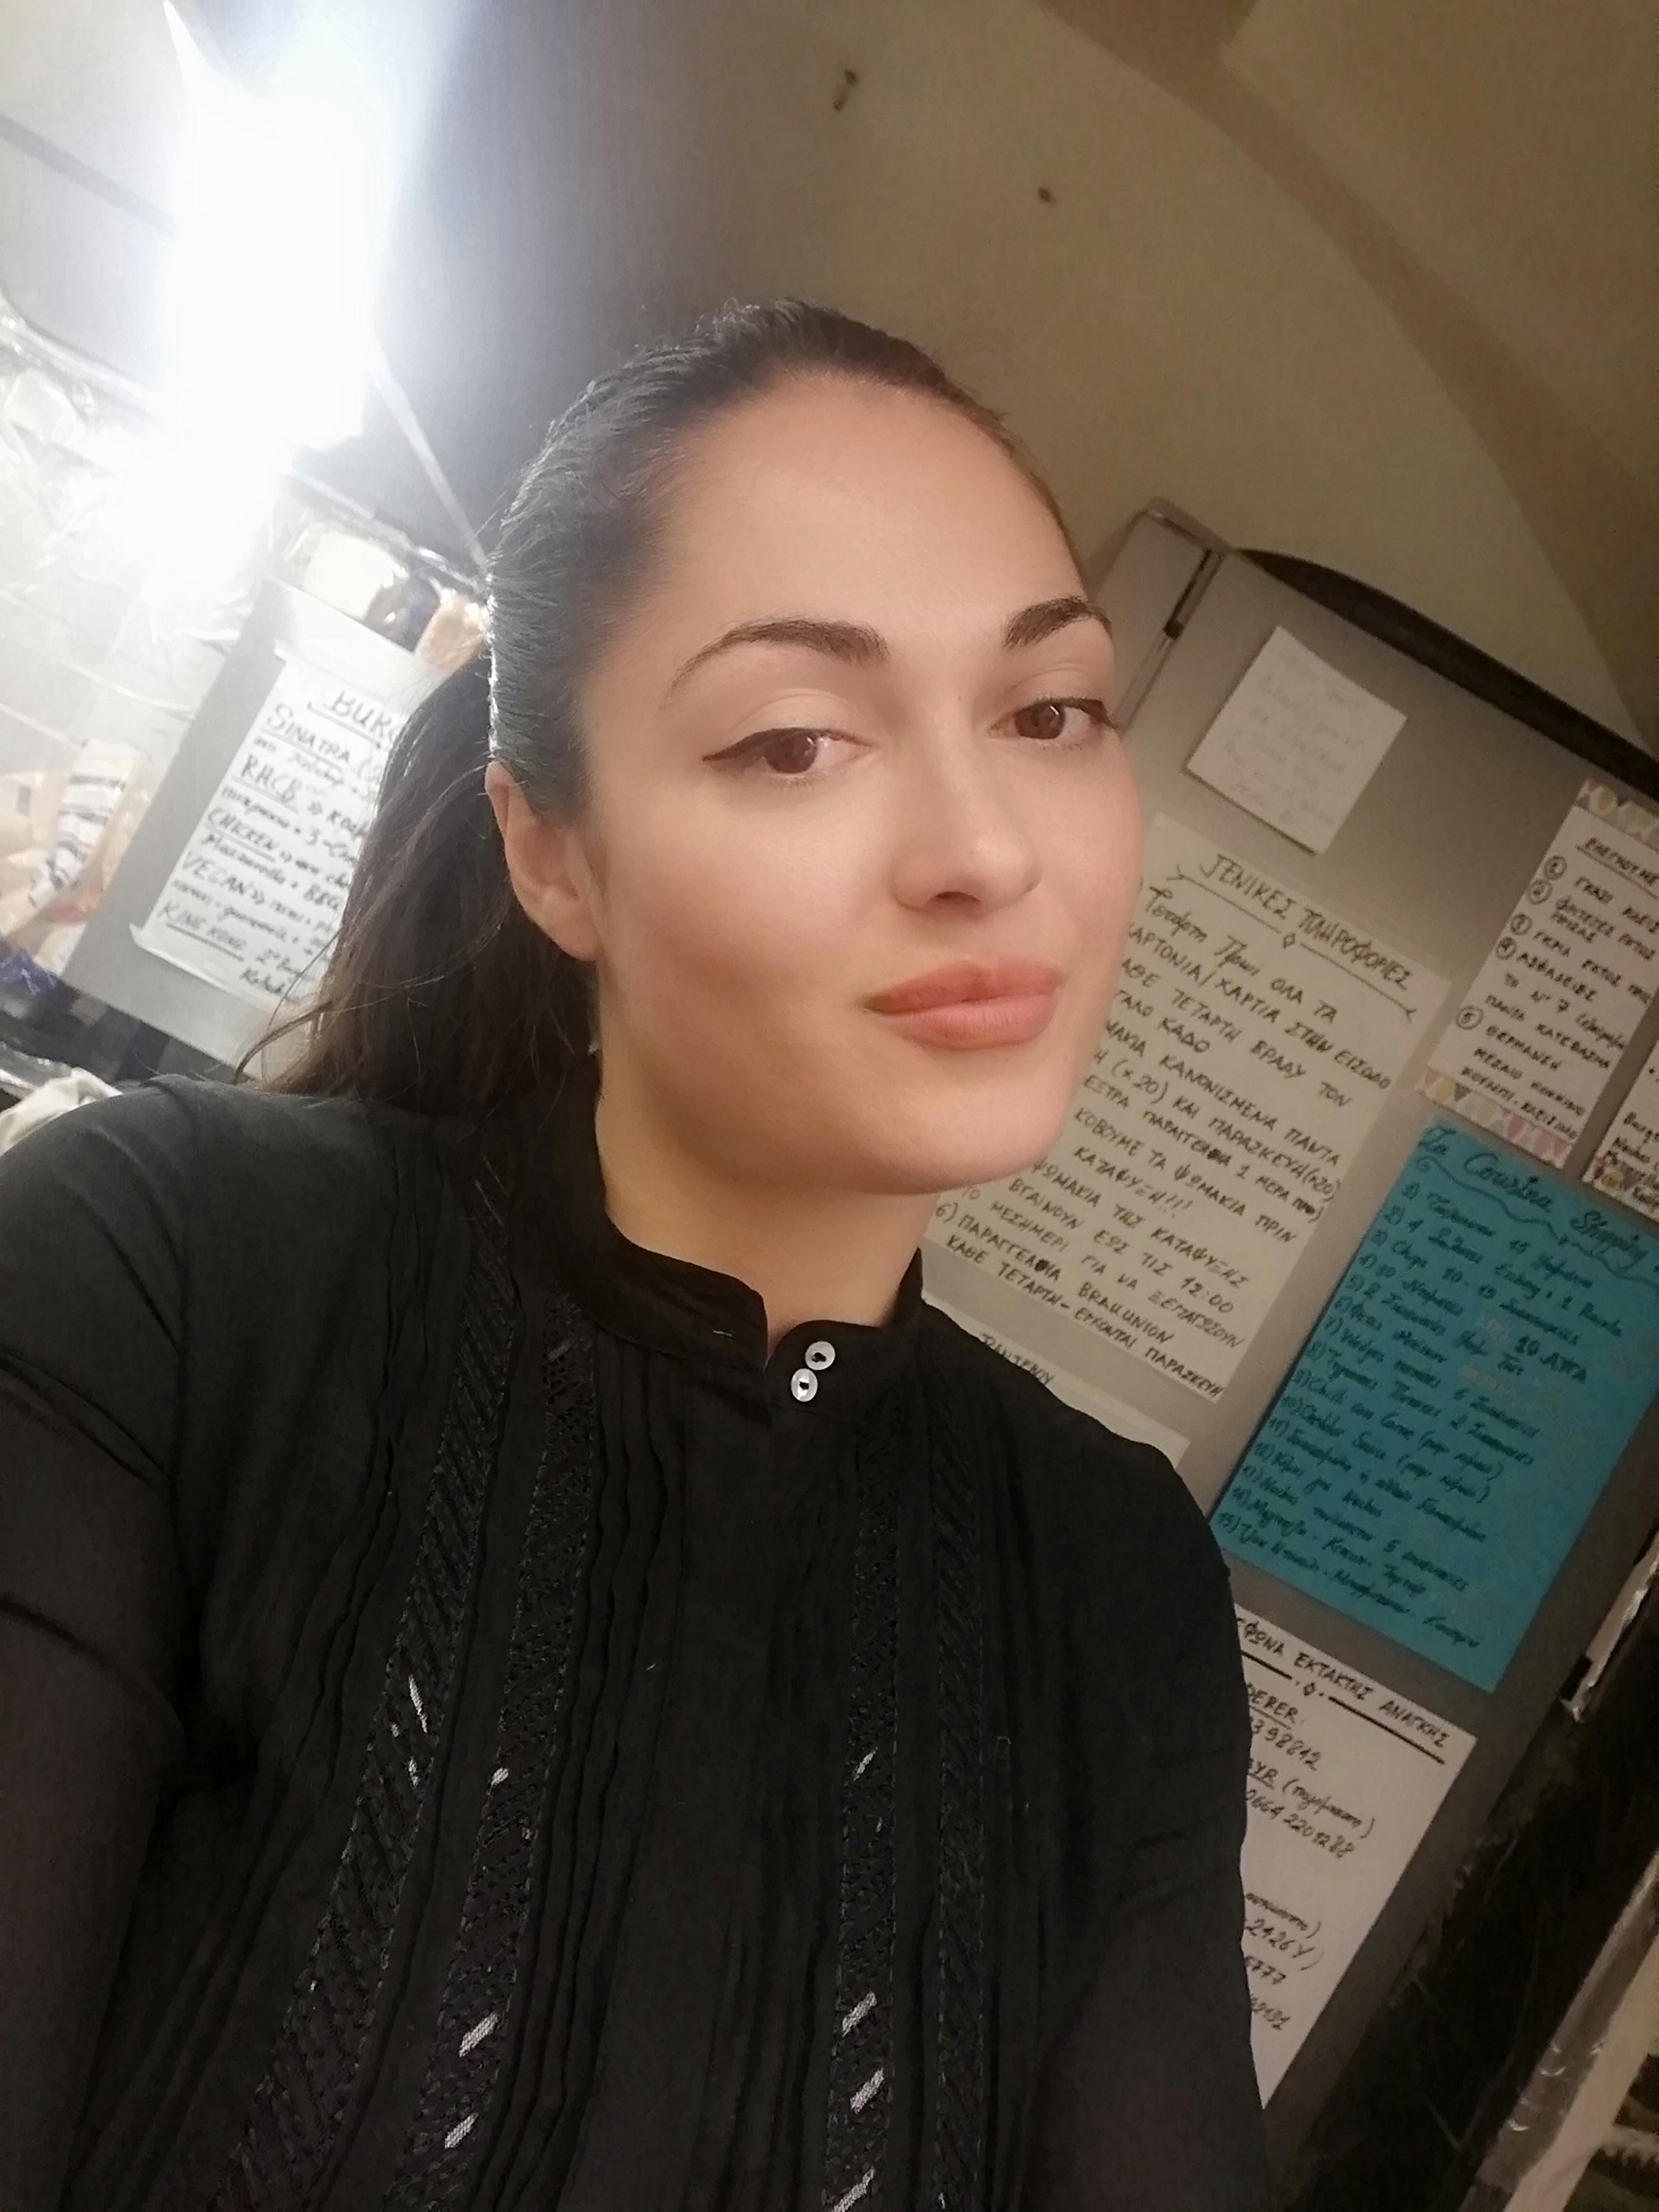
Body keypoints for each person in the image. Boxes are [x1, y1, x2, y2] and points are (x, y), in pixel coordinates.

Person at [0, 299, 1270, 2211]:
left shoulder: (1110, 1577)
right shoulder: (169, 1271)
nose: (986, 850)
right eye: (794, 740)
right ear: (551, 854)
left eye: (1049, 712)